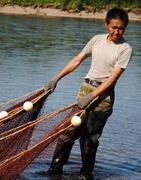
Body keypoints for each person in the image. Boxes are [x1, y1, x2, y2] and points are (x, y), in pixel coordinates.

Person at [44, 7, 132, 180]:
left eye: (120, 28)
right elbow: (77, 60)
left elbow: (111, 80)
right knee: (68, 133)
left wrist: (92, 97)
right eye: (113, 26)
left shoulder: (125, 49)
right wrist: (56, 78)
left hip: (103, 96)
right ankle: (55, 171)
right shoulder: (97, 40)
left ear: (125, 28)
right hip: (85, 88)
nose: (116, 31)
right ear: (106, 24)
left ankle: (86, 174)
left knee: (89, 139)